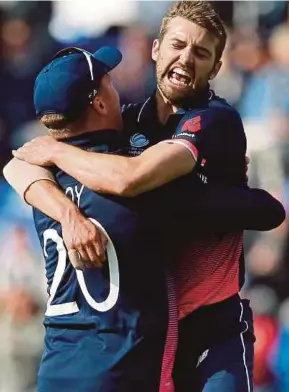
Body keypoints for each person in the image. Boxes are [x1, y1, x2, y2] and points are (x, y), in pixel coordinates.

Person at [4, 2, 286, 392]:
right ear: (156, 49)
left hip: (210, 327)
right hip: (152, 334)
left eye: (201, 52)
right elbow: (16, 167)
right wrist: (69, 214)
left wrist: (55, 152)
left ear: (216, 68)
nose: (185, 58)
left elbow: (131, 179)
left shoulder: (215, 119)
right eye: (177, 45)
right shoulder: (127, 123)